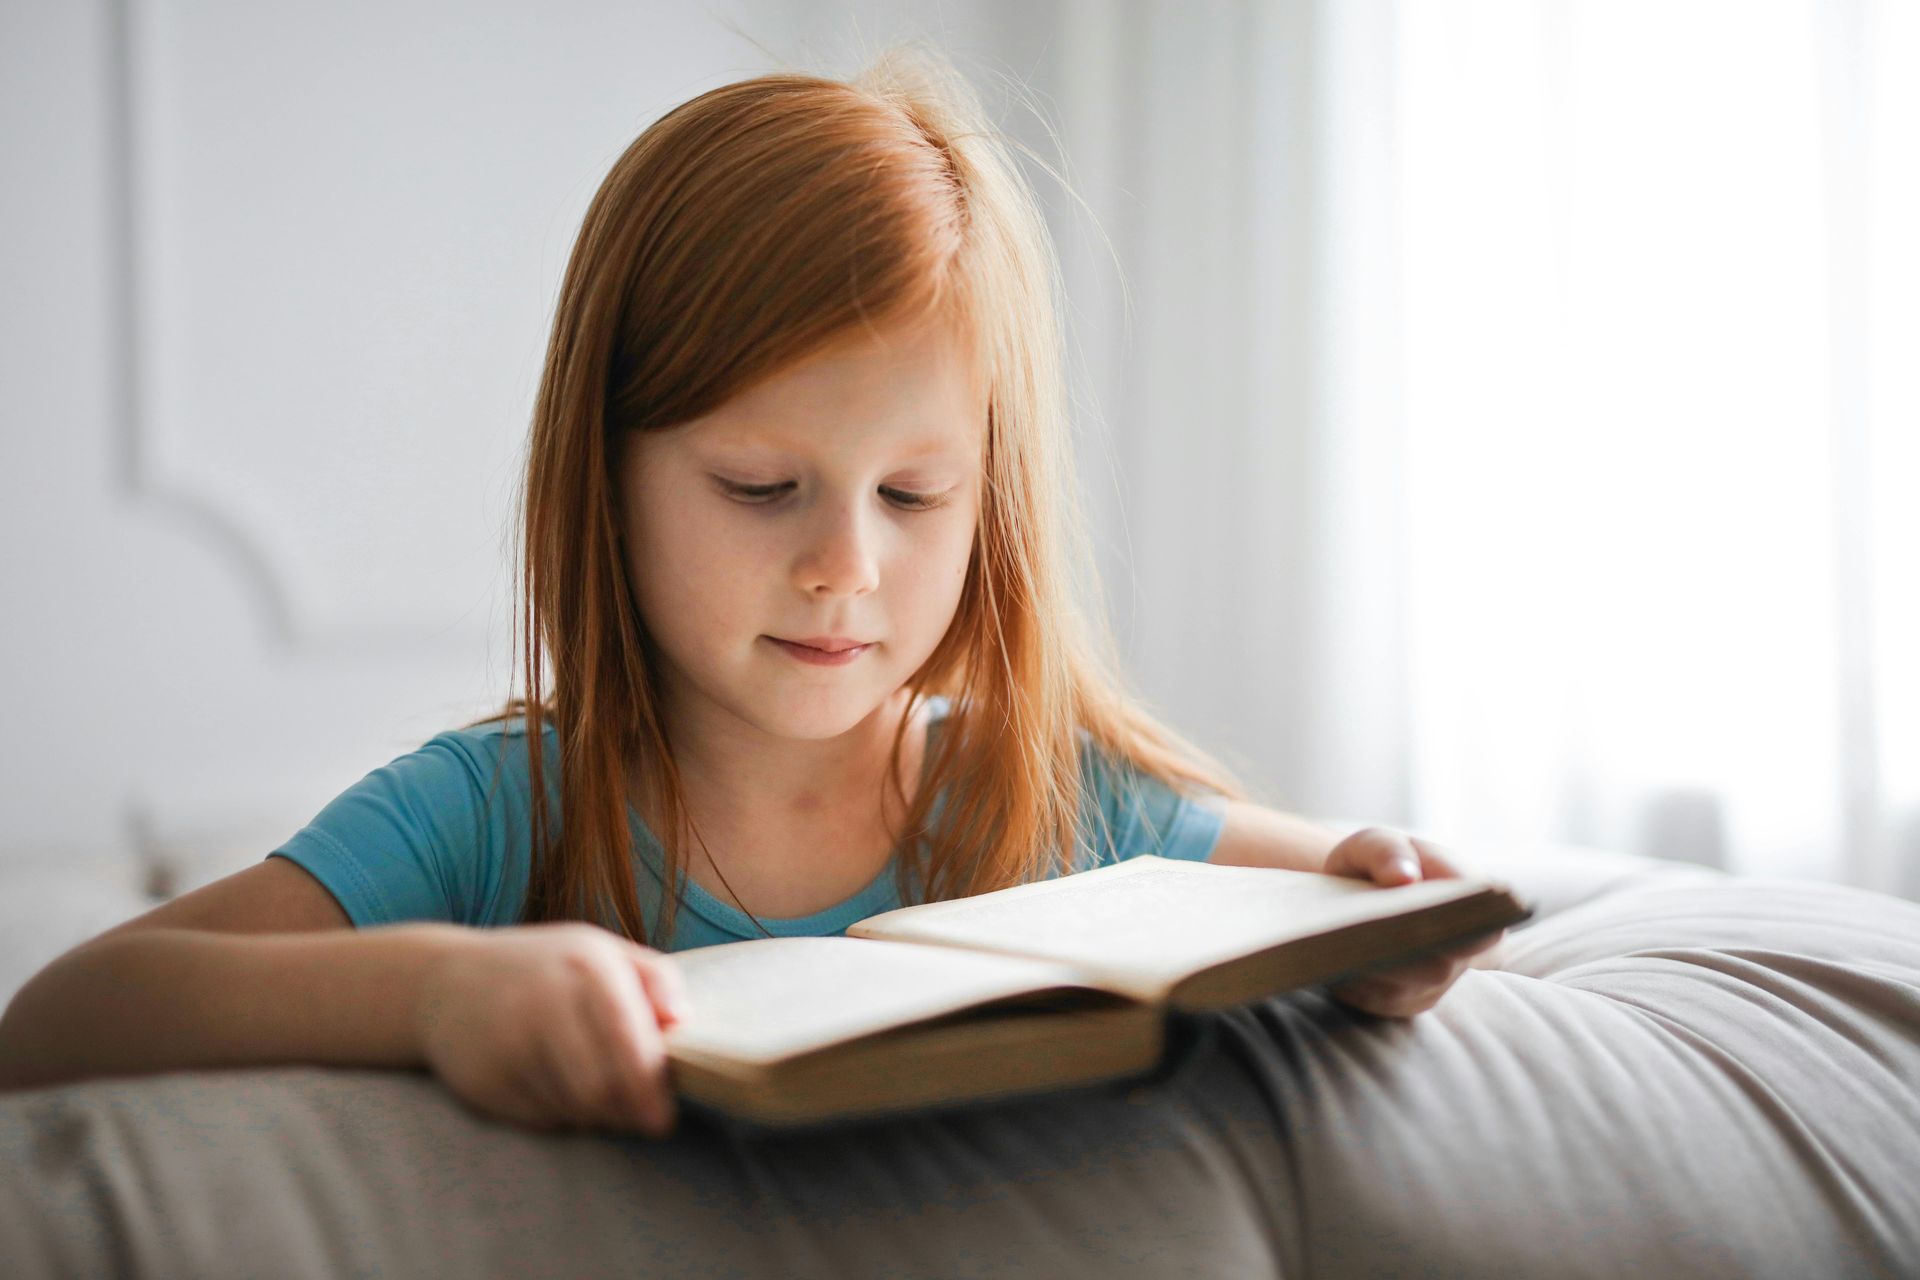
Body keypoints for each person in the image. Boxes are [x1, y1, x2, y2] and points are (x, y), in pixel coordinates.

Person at [0, 42, 1502, 1139]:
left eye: (916, 497)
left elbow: (1349, 887)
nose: (845, 564)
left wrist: (1381, 921)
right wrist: (433, 993)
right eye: (759, 488)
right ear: (609, 474)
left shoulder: (1027, 791)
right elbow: (56, 1022)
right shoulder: (491, 813)